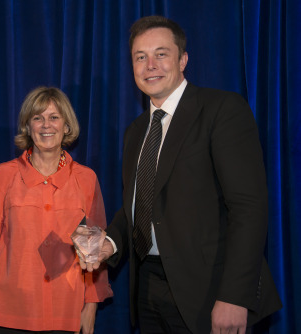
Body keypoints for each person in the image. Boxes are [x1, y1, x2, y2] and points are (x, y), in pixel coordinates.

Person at [79, 16, 282, 333]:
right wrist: (110, 243)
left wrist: (234, 296)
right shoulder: (135, 132)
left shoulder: (221, 109)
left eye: (161, 54)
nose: (150, 66)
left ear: (183, 59)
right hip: (146, 289)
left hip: (209, 291)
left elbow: (249, 208)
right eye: (140, 57)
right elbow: (138, 206)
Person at [0, 87, 113, 334]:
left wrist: (91, 305)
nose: (45, 125)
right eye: (37, 118)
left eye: (54, 117)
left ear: (66, 126)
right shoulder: (4, 175)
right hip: (8, 311)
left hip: (66, 312)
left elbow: (93, 254)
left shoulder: (86, 179)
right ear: (28, 127)